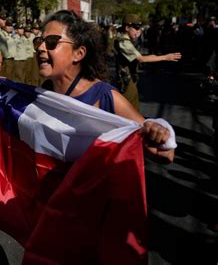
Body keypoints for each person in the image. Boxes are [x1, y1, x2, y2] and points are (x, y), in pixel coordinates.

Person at [35, 10, 176, 163]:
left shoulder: (105, 96)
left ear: (79, 53)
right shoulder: (45, 91)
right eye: (39, 41)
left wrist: (158, 133)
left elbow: (164, 154)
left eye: (51, 42)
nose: (40, 48)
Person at [115, 14, 182, 111]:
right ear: (127, 27)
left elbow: (138, 55)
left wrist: (154, 56)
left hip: (130, 78)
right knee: (129, 110)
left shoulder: (127, 40)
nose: (138, 31)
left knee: (133, 107)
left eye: (139, 29)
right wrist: (165, 57)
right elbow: (141, 59)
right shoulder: (123, 42)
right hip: (126, 80)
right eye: (136, 28)